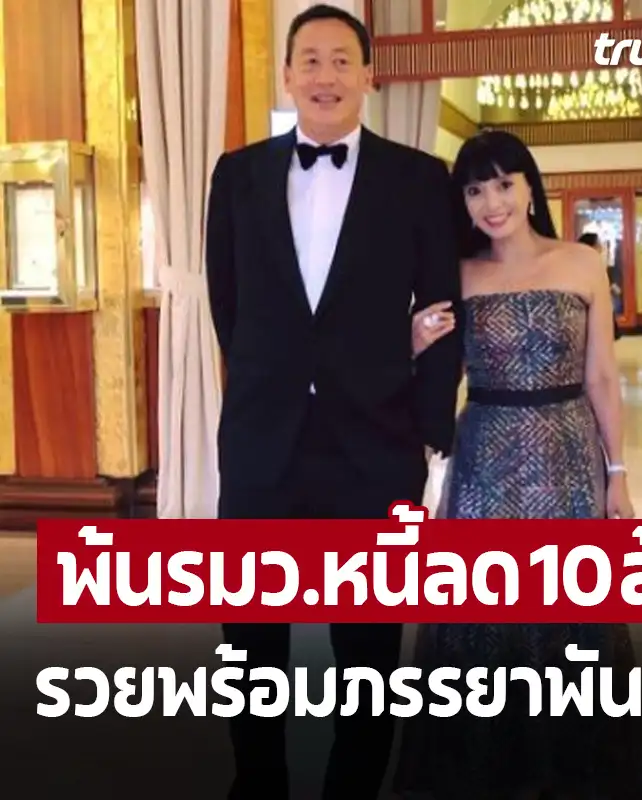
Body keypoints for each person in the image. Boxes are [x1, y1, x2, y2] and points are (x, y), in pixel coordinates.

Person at [205, 5, 463, 799]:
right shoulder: (237, 175)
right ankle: (258, 783)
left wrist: (425, 431)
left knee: (369, 650)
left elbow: (444, 309)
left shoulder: (418, 179)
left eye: (342, 60)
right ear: (286, 75)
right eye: (310, 60)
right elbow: (227, 305)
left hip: (374, 444)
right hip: (262, 443)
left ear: (369, 75)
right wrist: (269, 382)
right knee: (251, 640)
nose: (326, 75)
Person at [393, 130, 642, 800]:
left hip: (567, 452)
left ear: (530, 187)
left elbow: (601, 377)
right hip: (484, 454)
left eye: (504, 184)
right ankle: (487, 768)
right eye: (475, 190)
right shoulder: (457, 272)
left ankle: (570, 767)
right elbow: (431, 375)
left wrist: (617, 474)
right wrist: (412, 342)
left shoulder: (581, 263)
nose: (492, 203)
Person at [578, 230, 622, 340]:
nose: (601, 246)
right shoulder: (590, 262)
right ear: (591, 246)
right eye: (598, 243)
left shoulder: (593, 261)